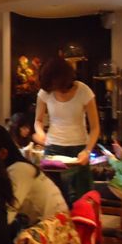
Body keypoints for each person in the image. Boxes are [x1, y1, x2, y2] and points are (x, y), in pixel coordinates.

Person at [34, 57, 100, 203]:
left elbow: (95, 127)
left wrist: (87, 151)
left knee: (82, 199)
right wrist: (40, 133)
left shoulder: (84, 91)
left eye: (57, 86)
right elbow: (38, 121)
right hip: (52, 149)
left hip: (78, 150)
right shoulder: (45, 92)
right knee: (52, 198)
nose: (55, 90)